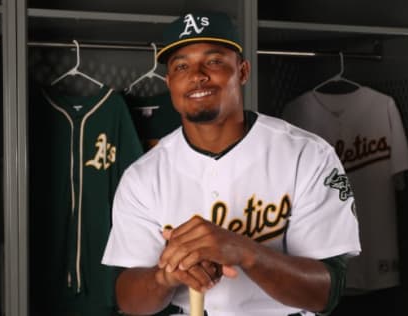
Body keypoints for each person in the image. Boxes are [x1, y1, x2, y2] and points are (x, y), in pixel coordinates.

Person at [102, 11, 361, 316]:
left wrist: (245, 251)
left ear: (242, 71)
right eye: (182, 66)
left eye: (213, 61)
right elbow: (128, 299)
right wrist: (165, 276)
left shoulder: (308, 155)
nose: (197, 75)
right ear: (170, 82)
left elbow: (326, 293)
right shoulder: (143, 175)